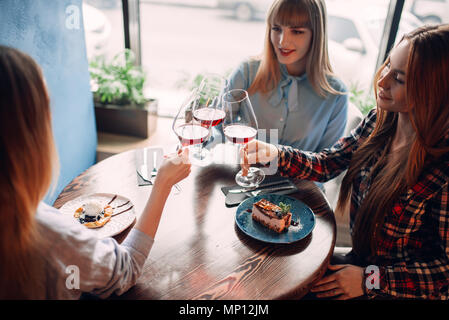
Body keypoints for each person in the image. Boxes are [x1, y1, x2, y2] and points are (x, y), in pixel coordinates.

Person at [242, 24, 449, 299]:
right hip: (359, 265)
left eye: (399, 78)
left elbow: (444, 274)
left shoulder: (444, 171)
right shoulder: (379, 122)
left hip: (392, 289)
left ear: (434, 91)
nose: (382, 81)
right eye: (388, 66)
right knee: (270, 275)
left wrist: (370, 280)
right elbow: (328, 164)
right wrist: (276, 154)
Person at [0, 45, 191, 299]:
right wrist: (162, 184)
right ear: (26, 139)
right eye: (46, 112)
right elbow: (126, 269)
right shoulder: (50, 237)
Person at [223, 0, 348, 152]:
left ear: (316, 35)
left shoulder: (336, 95)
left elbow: (328, 165)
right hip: (238, 172)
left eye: (296, 31)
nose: (282, 41)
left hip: (297, 177)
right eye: (276, 29)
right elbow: (218, 127)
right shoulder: (247, 72)